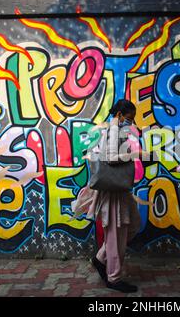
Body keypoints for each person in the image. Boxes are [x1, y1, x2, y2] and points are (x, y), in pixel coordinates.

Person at [71, 99, 149, 293]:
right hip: (113, 192)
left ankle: (100, 259)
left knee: (131, 227)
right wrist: (135, 154)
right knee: (117, 234)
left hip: (119, 190)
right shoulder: (114, 131)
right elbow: (111, 158)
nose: (130, 122)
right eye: (128, 118)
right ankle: (113, 278)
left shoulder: (116, 130)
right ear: (120, 115)